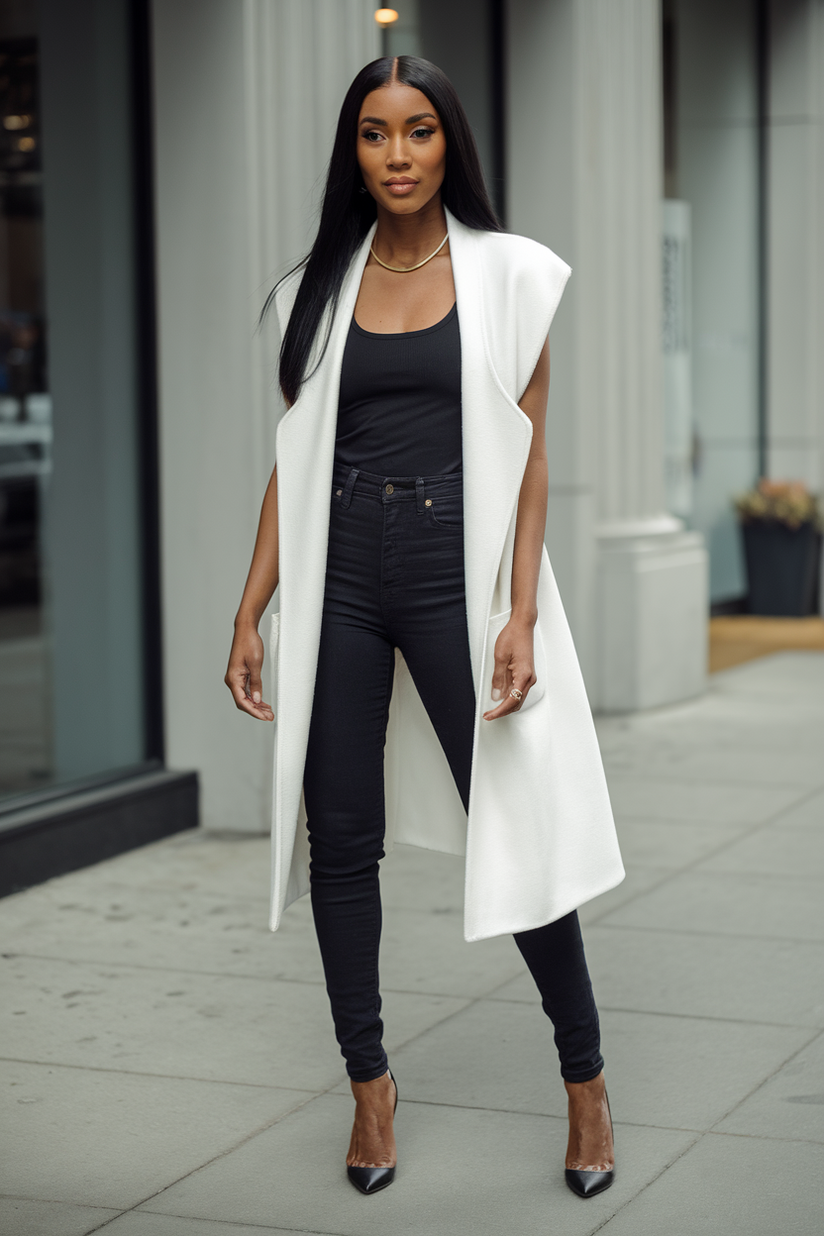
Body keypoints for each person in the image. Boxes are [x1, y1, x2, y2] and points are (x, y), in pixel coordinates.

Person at [225, 55, 624, 1199]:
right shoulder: (323, 282)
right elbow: (293, 463)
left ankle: (584, 1081)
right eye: (372, 134)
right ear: (351, 152)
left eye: (416, 131)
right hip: (339, 572)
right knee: (340, 839)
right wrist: (250, 607)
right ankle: (368, 1088)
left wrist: (521, 611)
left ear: (448, 142)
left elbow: (531, 453)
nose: (395, 155)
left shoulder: (508, 276)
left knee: (523, 827)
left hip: (457, 575)